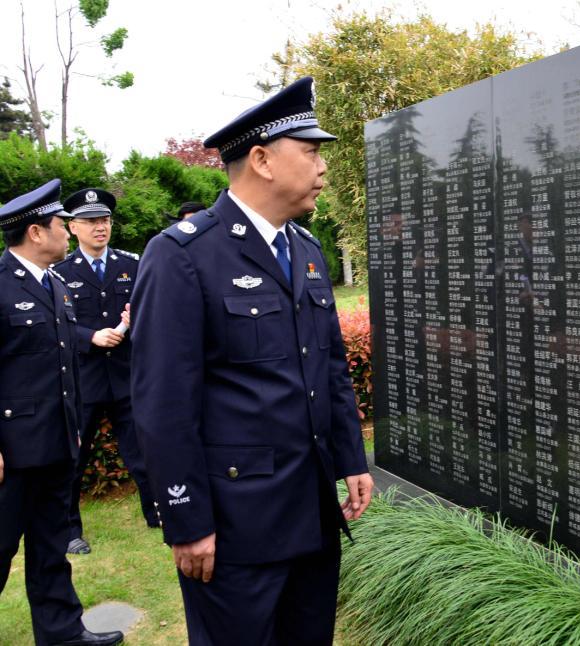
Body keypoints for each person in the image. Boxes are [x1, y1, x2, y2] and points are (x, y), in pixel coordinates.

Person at [130, 76, 373, 645]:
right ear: (262, 159)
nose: (322, 167)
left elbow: (328, 367)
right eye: (311, 152)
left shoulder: (306, 250)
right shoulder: (183, 256)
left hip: (311, 513)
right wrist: (187, 521)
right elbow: (163, 404)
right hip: (236, 526)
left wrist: (351, 458)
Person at [0, 179, 124, 646]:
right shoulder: (1, 286)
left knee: (51, 546)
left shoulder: (53, 283)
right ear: (36, 232)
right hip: (12, 451)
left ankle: (62, 633)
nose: (66, 232)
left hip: (55, 441)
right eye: (59, 224)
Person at [54, 188, 158, 555]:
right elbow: (54, 324)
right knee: (73, 459)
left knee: (142, 451)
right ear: (73, 228)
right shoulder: (60, 274)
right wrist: (90, 336)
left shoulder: (132, 264)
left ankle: (157, 512)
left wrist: (135, 321)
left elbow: (153, 312)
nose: (100, 228)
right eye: (91, 221)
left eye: (105, 220)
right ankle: (69, 531)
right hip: (84, 380)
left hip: (127, 376)